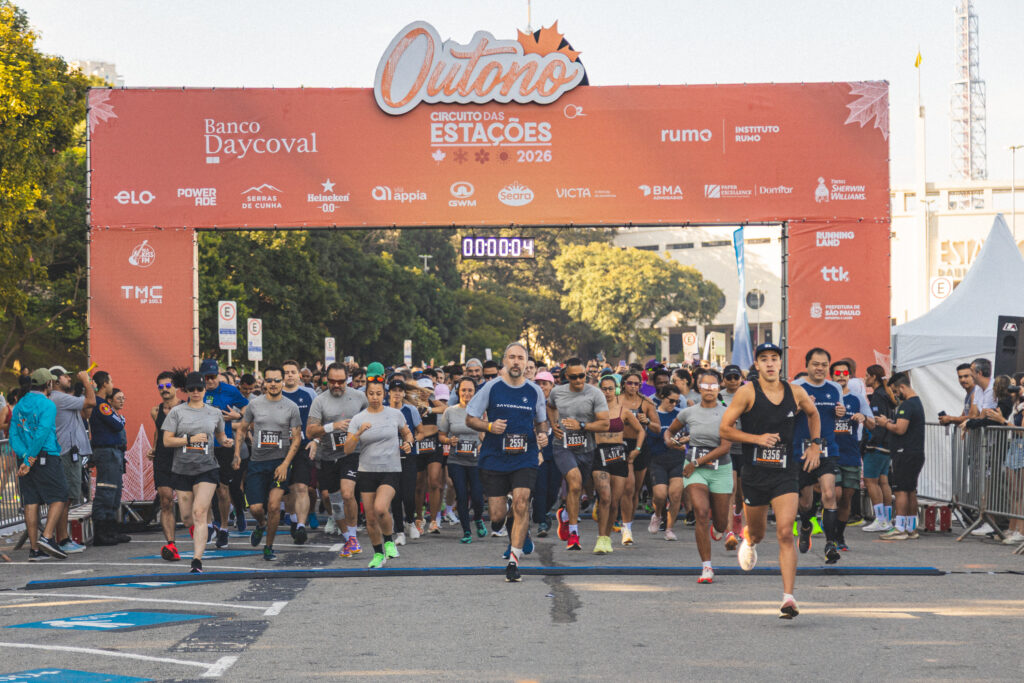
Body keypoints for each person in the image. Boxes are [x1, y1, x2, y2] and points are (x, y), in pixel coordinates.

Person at [719, 342, 822, 619]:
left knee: (785, 532)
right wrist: (756, 439)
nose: (769, 363)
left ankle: (788, 598)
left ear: (780, 362)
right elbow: (725, 429)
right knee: (758, 532)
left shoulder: (796, 391)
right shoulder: (747, 392)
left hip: (785, 472)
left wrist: (815, 444)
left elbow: (813, 414)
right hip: (755, 473)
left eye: (774, 358)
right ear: (757, 365)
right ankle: (749, 541)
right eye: (763, 359)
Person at [465, 342, 549, 582]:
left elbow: (541, 421)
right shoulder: (491, 388)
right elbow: (470, 419)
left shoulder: (534, 391)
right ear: (504, 361)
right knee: (496, 518)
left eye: (520, 358)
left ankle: (514, 560)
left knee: (522, 503)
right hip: (494, 458)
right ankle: (510, 518)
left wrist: (543, 434)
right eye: (512, 357)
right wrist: (489, 426)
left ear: (526, 363)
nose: (516, 362)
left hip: (525, 456)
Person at [162, 372, 234, 573]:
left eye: (199, 389)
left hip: (207, 468)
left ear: (204, 390)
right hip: (182, 469)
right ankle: (205, 529)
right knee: (187, 518)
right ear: (186, 390)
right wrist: (189, 440)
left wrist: (226, 441)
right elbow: (167, 441)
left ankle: (197, 561)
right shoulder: (177, 412)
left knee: (199, 513)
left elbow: (220, 436)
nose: (195, 392)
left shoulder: (214, 412)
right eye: (191, 389)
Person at [666, 369, 733, 584]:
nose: (709, 390)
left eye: (714, 386)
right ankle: (706, 566)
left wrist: (696, 462)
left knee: (721, 523)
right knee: (701, 512)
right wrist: (669, 441)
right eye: (705, 386)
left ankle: (718, 528)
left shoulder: (727, 412)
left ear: (719, 387)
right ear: (698, 387)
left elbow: (725, 447)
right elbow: (670, 431)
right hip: (694, 471)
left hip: (720, 468)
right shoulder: (689, 412)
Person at [345, 375, 413, 569]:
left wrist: (408, 443)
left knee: (381, 508)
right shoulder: (358, 419)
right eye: (371, 394)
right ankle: (377, 554)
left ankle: (389, 541)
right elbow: (347, 449)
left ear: (385, 395)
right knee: (371, 517)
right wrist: (358, 433)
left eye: (378, 393)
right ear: (366, 395)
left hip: (390, 469)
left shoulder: (395, 414)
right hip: (367, 471)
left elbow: (407, 433)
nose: (375, 397)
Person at [235, 365, 302, 561]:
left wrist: (285, 464)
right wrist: (237, 454)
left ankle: (268, 546)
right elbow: (242, 428)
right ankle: (261, 524)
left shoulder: (291, 407)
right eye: (269, 380)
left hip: (279, 463)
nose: (273, 384)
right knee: (256, 509)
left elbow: (297, 438)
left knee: (273, 506)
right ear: (264, 382)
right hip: (257, 463)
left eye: (276, 380)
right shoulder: (254, 405)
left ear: (282, 381)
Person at [548, 357, 610, 552]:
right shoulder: (557, 392)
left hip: (586, 448)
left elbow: (605, 424)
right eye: (574, 377)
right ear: (566, 376)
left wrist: (581, 425)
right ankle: (574, 534)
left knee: (578, 489)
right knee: (574, 484)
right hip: (563, 446)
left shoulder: (595, 394)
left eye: (582, 376)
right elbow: (550, 406)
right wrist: (553, 424)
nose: (578, 380)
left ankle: (565, 515)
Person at [306, 362, 368, 556]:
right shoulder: (320, 401)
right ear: (326, 379)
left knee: (348, 494)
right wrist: (332, 426)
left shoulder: (359, 397)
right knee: (334, 502)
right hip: (328, 455)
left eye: (341, 381)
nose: (336, 385)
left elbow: (371, 419)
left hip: (352, 453)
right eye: (332, 381)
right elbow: (309, 431)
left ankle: (353, 535)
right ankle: (349, 537)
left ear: (347, 379)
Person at [793, 348, 845, 564]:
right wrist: (800, 407)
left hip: (827, 449)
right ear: (807, 365)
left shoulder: (834, 388)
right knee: (805, 503)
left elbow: (838, 413)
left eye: (824, 365)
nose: (820, 368)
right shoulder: (796, 387)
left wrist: (840, 412)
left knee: (829, 494)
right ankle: (806, 525)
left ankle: (830, 544)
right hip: (802, 451)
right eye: (816, 364)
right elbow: (786, 416)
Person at [10, 368, 68, 560]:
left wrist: (25, 456)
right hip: (45, 456)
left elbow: (13, 435)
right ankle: (47, 537)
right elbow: (42, 433)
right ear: (48, 384)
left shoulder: (19, 404)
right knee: (60, 495)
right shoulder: (48, 404)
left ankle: (35, 549)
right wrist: (30, 458)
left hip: (25, 458)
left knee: (31, 501)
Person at [198, 359, 248, 548]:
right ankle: (211, 525)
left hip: (224, 444)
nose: (210, 381)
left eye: (213, 377)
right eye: (207, 377)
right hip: (203, 445)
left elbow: (246, 408)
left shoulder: (230, 390)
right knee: (204, 488)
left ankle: (225, 528)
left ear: (218, 375)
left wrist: (238, 415)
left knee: (223, 489)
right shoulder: (197, 391)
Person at [595, 374, 644, 552]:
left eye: (610, 388)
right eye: (604, 389)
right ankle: (600, 538)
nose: (607, 392)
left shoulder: (624, 411)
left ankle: (606, 537)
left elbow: (641, 431)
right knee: (605, 497)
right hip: (600, 454)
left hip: (619, 455)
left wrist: (636, 450)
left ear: (616, 390)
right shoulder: (593, 410)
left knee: (614, 502)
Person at [49, 367, 95, 555]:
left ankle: (62, 538)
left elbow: (86, 413)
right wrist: (86, 381)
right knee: (65, 498)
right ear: (55, 380)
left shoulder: (64, 399)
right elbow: (91, 402)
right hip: (66, 453)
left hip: (69, 453)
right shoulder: (59, 398)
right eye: (65, 376)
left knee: (66, 498)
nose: (69, 378)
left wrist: (86, 388)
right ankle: (62, 539)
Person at [830, 360, 874, 551]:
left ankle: (839, 535)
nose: (841, 376)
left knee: (847, 497)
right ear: (831, 376)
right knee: (835, 494)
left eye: (845, 373)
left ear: (849, 376)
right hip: (831, 454)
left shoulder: (857, 398)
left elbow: (872, 423)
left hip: (851, 454)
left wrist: (863, 418)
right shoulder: (827, 396)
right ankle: (830, 534)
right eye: (837, 373)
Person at [877, 374, 926, 541]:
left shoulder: (907, 405)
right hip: (914, 452)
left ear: (902, 387)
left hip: (904, 453)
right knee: (910, 490)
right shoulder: (917, 403)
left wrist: (885, 423)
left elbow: (900, 429)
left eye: (896, 391)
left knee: (900, 491)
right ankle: (911, 528)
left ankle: (899, 528)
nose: (896, 395)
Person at [439, 377, 487, 543]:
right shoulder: (450, 411)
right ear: (458, 392)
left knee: (478, 497)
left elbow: (488, 432)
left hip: (476, 460)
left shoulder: (482, 411)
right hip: (456, 460)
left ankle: (478, 518)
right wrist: (448, 441)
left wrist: (483, 444)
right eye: (463, 390)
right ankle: (466, 531)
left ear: (475, 392)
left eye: (470, 390)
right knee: (461, 494)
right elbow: (441, 435)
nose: (467, 393)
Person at [89, 370, 130, 546]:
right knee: (106, 491)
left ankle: (111, 529)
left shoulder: (103, 404)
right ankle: (101, 532)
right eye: (111, 381)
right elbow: (117, 424)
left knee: (115, 492)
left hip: (113, 453)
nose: (112, 384)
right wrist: (122, 420)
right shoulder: (101, 405)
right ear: (104, 383)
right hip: (106, 453)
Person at [281, 360, 317, 542]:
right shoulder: (275, 394)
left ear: (298, 375)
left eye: (292, 372)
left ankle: (302, 526)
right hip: (281, 449)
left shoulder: (309, 394)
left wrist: (316, 441)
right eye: (286, 372)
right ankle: (294, 520)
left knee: (302, 487)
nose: (289, 375)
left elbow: (318, 418)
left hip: (303, 446)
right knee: (288, 491)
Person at [619, 371, 657, 545]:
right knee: (628, 487)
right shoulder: (616, 401)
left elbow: (657, 428)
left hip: (640, 445)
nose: (633, 386)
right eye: (630, 383)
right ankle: (625, 526)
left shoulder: (646, 403)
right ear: (623, 384)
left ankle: (629, 522)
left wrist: (647, 421)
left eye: (636, 384)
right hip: (621, 444)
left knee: (635, 490)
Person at [149, 370, 183, 560]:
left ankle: (205, 531)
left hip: (184, 459)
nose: (164, 389)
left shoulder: (186, 408)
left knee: (188, 504)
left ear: (175, 387)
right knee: (166, 500)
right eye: (161, 387)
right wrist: (154, 448)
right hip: (162, 460)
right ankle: (171, 544)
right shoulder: (155, 411)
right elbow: (158, 431)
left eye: (168, 386)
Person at [861, 365, 897, 533]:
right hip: (887, 445)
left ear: (874, 377)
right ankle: (886, 519)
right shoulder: (886, 395)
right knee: (883, 481)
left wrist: (872, 442)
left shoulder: (878, 396)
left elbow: (878, 422)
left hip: (878, 446)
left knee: (871, 481)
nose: (865, 378)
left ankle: (881, 519)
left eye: (867, 375)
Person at [646, 385, 684, 540]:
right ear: (662, 397)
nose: (674, 404)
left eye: (677, 401)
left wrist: (683, 441)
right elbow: (650, 437)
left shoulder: (680, 414)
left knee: (675, 495)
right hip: (658, 459)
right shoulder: (653, 415)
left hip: (677, 458)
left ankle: (669, 528)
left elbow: (687, 434)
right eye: (671, 401)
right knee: (660, 495)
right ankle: (657, 514)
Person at [531, 371, 561, 537]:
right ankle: (542, 521)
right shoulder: (532, 402)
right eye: (538, 383)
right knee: (540, 487)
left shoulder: (559, 403)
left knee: (553, 490)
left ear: (552, 385)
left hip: (557, 450)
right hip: (538, 449)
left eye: (545, 383)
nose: (541, 386)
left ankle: (542, 512)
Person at [720, 364, 745, 550]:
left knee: (742, 493)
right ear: (724, 380)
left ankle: (738, 516)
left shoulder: (748, 394)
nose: (733, 381)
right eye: (729, 377)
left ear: (741, 379)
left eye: (736, 377)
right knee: (731, 488)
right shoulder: (719, 396)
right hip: (727, 446)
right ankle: (729, 532)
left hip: (746, 445)